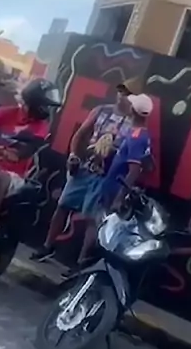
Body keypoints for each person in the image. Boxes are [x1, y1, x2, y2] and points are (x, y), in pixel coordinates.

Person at [32, 88, 153, 267]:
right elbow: (80, 134)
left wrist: (121, 190)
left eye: (128, 95)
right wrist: (74, 155)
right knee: (63, 205)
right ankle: (47, 246)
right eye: (121, 92)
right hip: (85, 168)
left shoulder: (136, 130)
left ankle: (81, 262)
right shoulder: (102, 111)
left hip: (106, 177)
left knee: (92, 220)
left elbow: (139, 164)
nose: (122, 97)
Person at [0, 78, 60, 253]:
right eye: (45, 105)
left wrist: (14, 153)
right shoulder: (8, 113)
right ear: (34, 102)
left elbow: (31, 147)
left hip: (13, 174)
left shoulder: (41, 126)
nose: (47, 110)